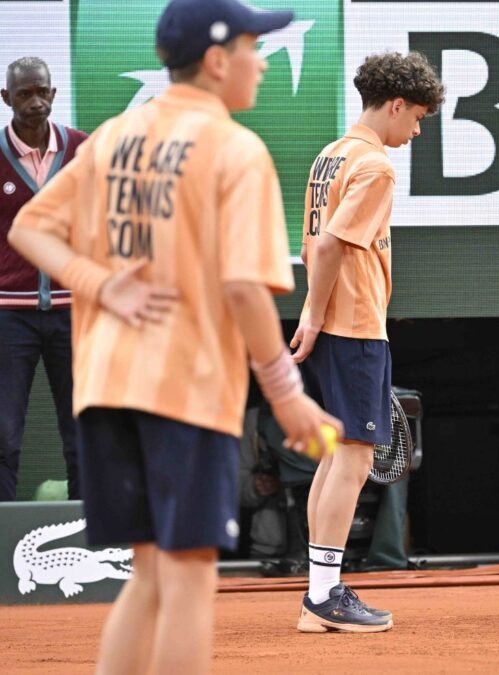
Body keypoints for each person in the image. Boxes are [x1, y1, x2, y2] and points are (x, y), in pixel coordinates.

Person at [7, 0, 340, 671]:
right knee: (188, 577)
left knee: (152, 572)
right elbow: (245, 288)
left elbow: (29, 228)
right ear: (218, 61)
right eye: (254, 48)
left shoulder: (110, 137)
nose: (263, 65)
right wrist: (287, 393)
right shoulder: (235, 150)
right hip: (184, 392)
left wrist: (97, 283)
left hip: (106, 389)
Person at [289, 50, 444, 633]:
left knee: (335, 456)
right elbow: (329, 246)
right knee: (353, 459)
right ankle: (325, 596)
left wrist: (313, 313)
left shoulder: (331, 155)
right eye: (418, 117)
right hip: (353, 325)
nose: (417, 129)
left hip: (337, 325)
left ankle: (318, 591)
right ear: (397, 105)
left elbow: (315, 246)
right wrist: (312, 311)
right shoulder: (376, 166)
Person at [0, 56, 86, 502]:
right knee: (4, 436)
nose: (35, 102)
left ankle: (92, 544)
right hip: (7, 317)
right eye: (23, 94)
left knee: (82, 432)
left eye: (41, 92)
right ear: (5, 98)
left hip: (74, 312)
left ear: (53, 93)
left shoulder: (82, 151)